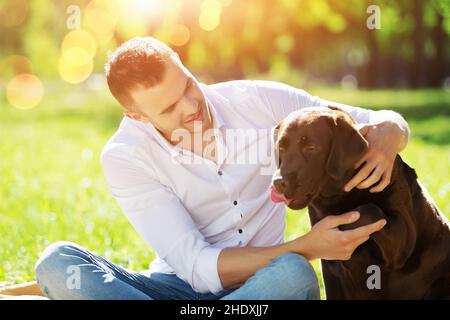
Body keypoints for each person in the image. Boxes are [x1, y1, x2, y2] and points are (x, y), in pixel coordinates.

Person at [34, 37, 409, 300]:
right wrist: (308, 246)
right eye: (168, 109)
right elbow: (196, 267)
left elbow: (373, 120)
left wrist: (393, 131)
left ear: (184, 66)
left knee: (293, 277)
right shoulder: (125, 156)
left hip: (267, 285)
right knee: (57, 264)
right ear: (137, 116)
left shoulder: (259, 100)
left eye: (187, 86)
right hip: (175, 289)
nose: (190, 107)